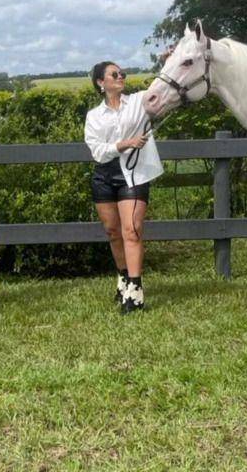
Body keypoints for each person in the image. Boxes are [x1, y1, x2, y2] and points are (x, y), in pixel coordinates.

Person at [85, 62, 163, 314]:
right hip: (104, 175)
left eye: (122, 74)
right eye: (114, 75)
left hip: (135, 174)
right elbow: (98, 151)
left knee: (132, 230)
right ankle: (124, 277)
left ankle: (136, 289)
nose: (120, 77)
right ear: (100, 82)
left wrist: (166, 60)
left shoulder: (139, 102)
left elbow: (161, 89)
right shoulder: (94, 116)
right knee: (113, 231)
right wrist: (125, 143)